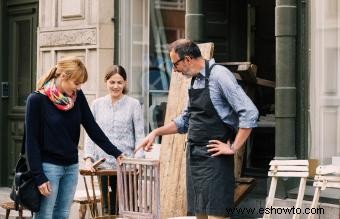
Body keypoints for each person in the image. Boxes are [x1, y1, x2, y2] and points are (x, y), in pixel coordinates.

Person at [136, 39, 259, 219]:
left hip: (216, 161)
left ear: (187, 59)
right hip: (195, 158)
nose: (174, 70)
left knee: (217, 215)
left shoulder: (219, 76)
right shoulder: (195, 81)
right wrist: (155, 132)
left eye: (175, 64)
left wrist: (233, 147)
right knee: (199, 215)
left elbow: (249, 112)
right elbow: (186, 120)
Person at [25, 57, 123, 219]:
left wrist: (116, 152)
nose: (78, 88)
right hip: (49, 167)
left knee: (63, 214)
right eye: (76, 83)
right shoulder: (37, 100)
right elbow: (31, 142)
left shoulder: (76, 97)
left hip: (71, 166)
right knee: (44, 215)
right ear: (63, 76)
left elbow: (92, 127)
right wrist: (38, 176)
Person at [83, 65, 145, 214]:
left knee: (126, 208)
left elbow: (140, 135)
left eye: (119, 82)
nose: (116, 86)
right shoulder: (97, 105)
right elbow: (90, 134)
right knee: (107, 209)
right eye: (112, 82)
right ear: (106, 82)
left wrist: (137, 160)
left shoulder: (134, 104)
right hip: (103, 166)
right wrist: (88, 159)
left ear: (125, 83)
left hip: (127, 167)